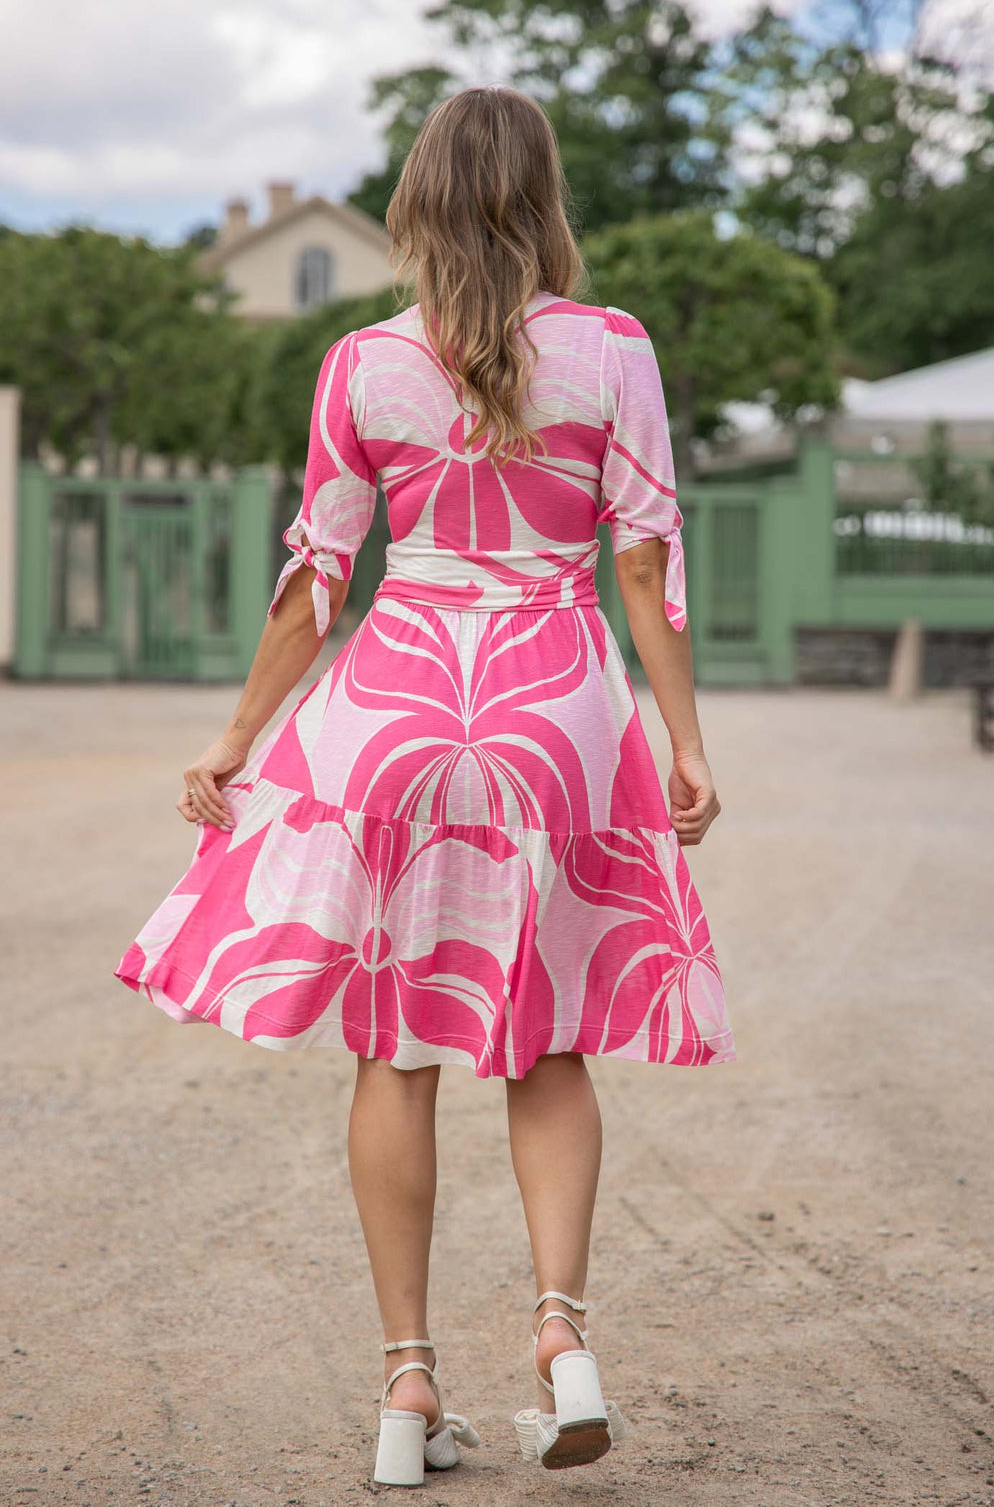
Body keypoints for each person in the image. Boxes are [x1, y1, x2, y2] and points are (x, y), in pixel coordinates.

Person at [113, 85, 736, 1486]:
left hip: (394, 713)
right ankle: (563, 1343)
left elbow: (317, 576)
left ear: (414, 201)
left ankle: (406, 1396)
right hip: (557, 706)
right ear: (547, 195)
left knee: (395, 1046)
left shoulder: (360, 364)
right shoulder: (614, 350)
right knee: (547, 1030)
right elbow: (645, 561)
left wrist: (235, 736)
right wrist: (684, 742)